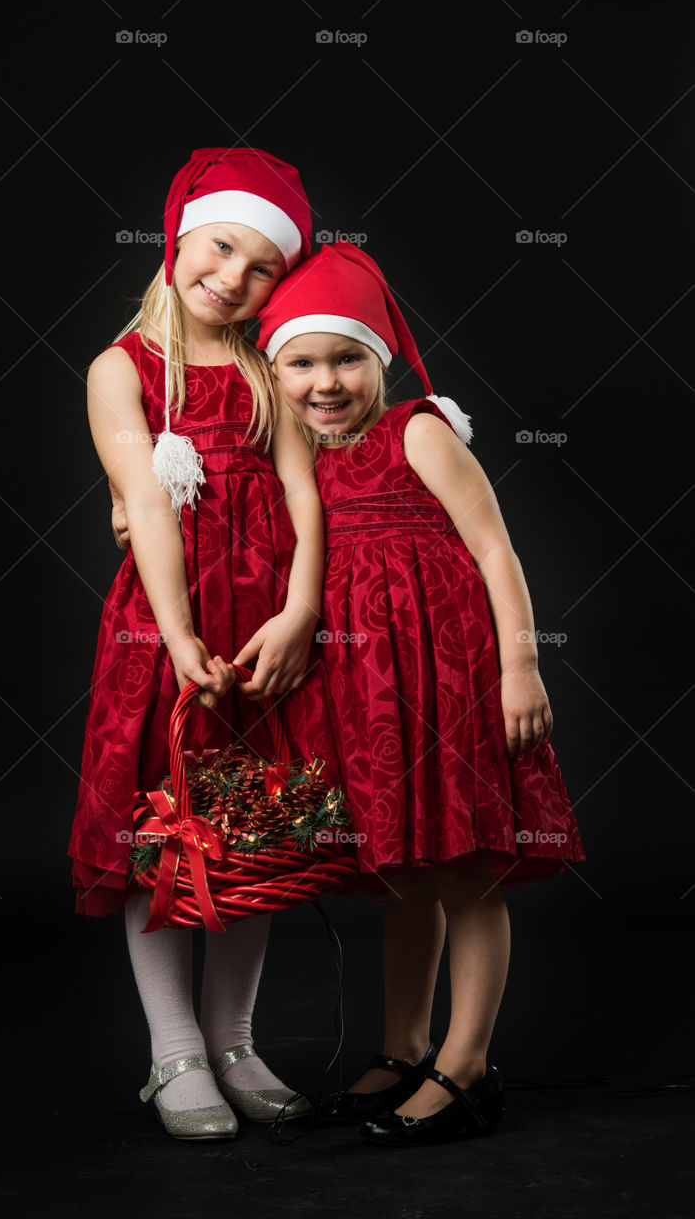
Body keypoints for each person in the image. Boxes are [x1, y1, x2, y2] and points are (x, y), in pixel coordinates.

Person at [256, 240, 586, 1148]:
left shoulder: (418, 430)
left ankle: (467, 1064)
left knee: (466, 870)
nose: (327, 382)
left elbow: (494, 549)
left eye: (347, 358)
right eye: (303, 364)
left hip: (451, 676)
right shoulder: (303, 457)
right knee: (405, 874)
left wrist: (521, 666)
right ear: (274, 371)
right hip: (368, 687)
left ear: (381, 360)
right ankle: (402, 1048)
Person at [68, 148, 341, 1141]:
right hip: (167, 627)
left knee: (255, 831)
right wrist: (179, 633)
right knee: (165, 829)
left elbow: (307, 500)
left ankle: (235, 1037)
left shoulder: (275, 369)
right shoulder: (122, 369)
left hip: (267, 628)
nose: (233, 275)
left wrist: (303, 612)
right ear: (178, 236)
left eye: (263, 265)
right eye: (222, 246)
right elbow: (143, 500)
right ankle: (172, 1046)